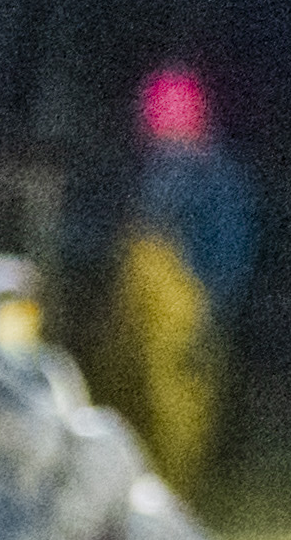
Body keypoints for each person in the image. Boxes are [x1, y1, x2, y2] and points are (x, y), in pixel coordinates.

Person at [109, 65, 255, 493]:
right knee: (136, 395)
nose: (164, 118)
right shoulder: (152, 169)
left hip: (189, 300)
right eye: (158, 108)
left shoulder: (217, 174)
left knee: (183, 402)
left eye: (175, 108)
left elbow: (230, 246)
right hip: (149, 306)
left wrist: (214, 303)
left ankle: (178, 494)